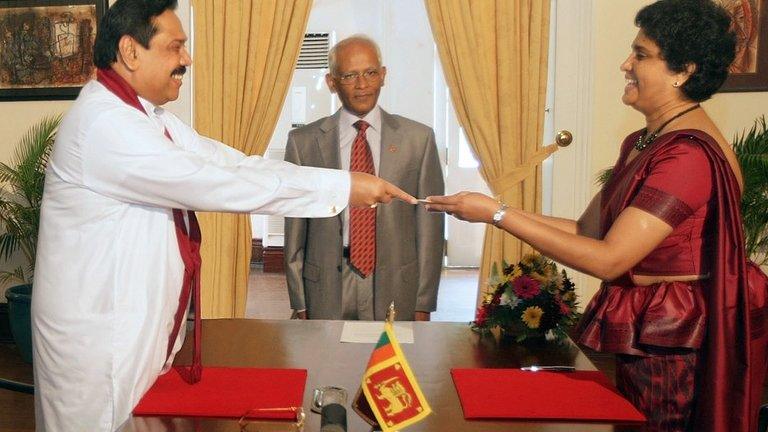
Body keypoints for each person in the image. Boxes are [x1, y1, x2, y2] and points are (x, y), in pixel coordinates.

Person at [31, 1, 416, 431]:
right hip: (101, 349)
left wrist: (344, 182)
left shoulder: (147, 118)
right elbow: (213, 182)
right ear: (131, 51)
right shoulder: (104, 125)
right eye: (175, 47)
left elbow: (236, 164)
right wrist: (343, 188)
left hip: (132, 334)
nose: (186, 59)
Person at [424, 1, 768, 431]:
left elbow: (608, 260)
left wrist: (497, 214)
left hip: (677, 337)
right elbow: (586, 231)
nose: (626, 64)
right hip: (655, 334)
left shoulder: (687, 156)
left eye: (641, 55)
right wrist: (480, 209)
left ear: (683, 71)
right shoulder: (646, 140)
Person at [283, 35, 444, 321]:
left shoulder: (418, 140)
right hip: (327, 285)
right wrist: (299, 299)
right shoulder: (304, 143)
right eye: (349, 75)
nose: (362, 85)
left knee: (389, 363)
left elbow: (430, 226)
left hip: (396, 283)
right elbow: (294, 229)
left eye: (370, 73)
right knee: (329, 364)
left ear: (383, 76)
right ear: (332, 82)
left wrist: (423, 301)